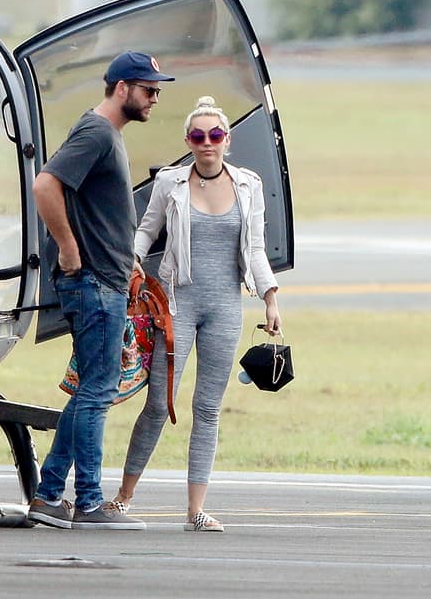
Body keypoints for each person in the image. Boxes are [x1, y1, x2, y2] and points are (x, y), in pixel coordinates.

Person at [108, 96, 281, 533]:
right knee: (157, 403)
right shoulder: (171, 183)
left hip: (224, 306)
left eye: (216, 135)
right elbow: (147, 229)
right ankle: (123, 497)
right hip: (177, 305)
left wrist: (270, 296)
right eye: (199, 136)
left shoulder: (248, 185)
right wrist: (132, 260)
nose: (208, 143)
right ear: (188, 141)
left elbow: (256, 246)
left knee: (208, 408)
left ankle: (195, 510)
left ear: (227, 141)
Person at [27, 50, 174, 531]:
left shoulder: (105, 135)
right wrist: (69, 249)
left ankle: (49, 496)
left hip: (106, 280)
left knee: (88, 392)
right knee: (96, 393)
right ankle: (88, 502)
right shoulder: (96, 132)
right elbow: (45, 185)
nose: (155, 97)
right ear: (121, 88)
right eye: (148, 89)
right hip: (94, 284)